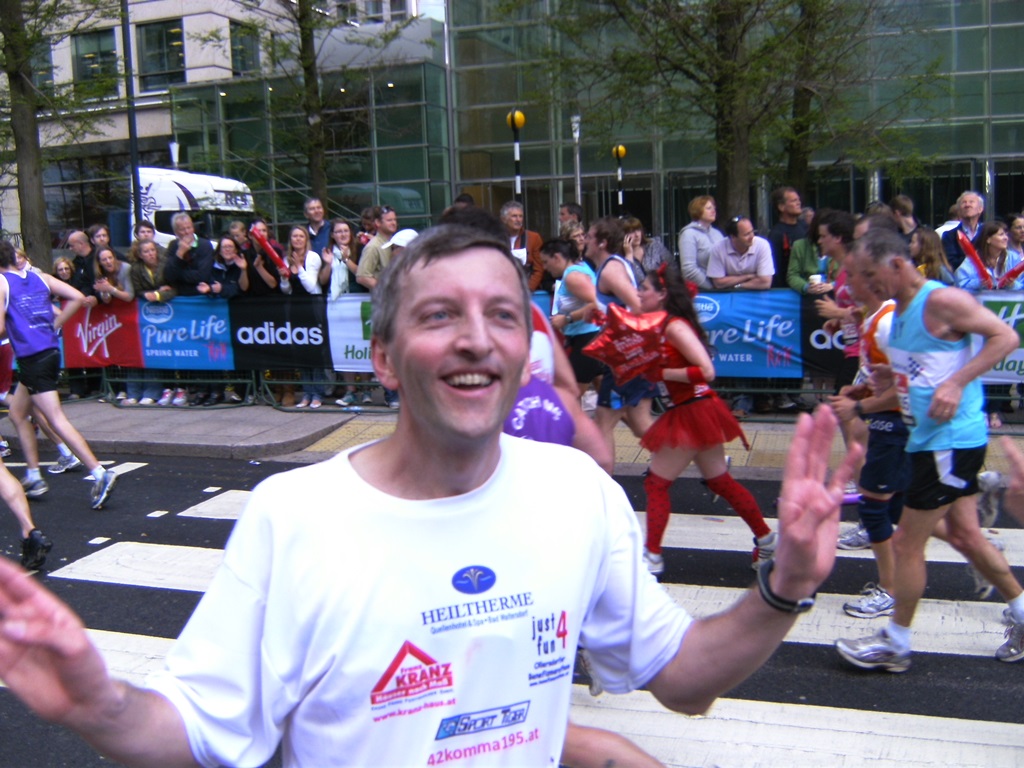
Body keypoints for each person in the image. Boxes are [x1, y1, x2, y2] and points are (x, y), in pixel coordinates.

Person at [0, 223, 860, 767]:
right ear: (382, 359)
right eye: (440, 315)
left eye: (503, 315)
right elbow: (197, 731)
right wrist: (99, 706)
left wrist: (783, 587)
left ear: (526, 350)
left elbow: (684, 681)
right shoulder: (295, 517)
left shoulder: (577, 492)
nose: (477, 340)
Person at [835, 229, 1024, 671]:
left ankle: (895, 644)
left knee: (906, 542)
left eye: (870, 275)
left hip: (949, 440)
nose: (866, 284)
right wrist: (882, 385)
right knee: (965, 536)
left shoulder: (940, 301)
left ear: (898, 264)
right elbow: (919, 372)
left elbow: (1005, 338)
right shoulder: (899, 311)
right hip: (928, 438)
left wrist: (956, 383)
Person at [638, 264, 777, 575]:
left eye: (644, 288)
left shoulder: (675, 327)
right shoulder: (663, 325)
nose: (638, 293)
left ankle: (652, 557)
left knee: (656, 484)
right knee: (719, 481)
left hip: (692, 410)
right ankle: (767, 539)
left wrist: (662, 373)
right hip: (696, 409)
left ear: (661, 294)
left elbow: (707, 371)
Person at [0, 241, 118, 510]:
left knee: (55, 418)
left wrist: (20, 327)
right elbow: (77, 297)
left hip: (33, 357)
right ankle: (33, 475)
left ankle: (100, 472)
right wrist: (54, 324)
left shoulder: (2, 283)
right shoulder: (40, 277)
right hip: (50, 352)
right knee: (17, 414)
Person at [826, 250, 908, 617]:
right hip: (894, 425)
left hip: (896, 427)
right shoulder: (876, 318)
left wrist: (859, 407)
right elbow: (887, 380)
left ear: (870, 281)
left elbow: (907, 388)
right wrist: (859, 392)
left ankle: (890, 591)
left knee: (875, 509)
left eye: (850, 276)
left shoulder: (887, 324)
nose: (843, 285)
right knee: (902, 511)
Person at [953, 219, 1021, 429]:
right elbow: (959, 284)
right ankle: (980, 409)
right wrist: (978, 283)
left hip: (1006, 317)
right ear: (989, 239)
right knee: (981, 362)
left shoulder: (1013, 258)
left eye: (1005, 234)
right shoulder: (972, 261)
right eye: (1000, 234)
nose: (1005, 238)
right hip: (979, 321)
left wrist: (1013, 284)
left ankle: (995, 409)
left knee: (1001, 360)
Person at [540, 238, 603, 389]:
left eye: (546, 262)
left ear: (557, 257)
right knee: (604, 398)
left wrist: (567, 319)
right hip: (590, 335)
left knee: (570, 395)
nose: (544, 267)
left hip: (587, 337)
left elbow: (598, 304)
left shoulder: (572, 277)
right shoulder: (581, 267)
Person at [280, 225, 327, 409]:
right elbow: (286, 290)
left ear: (306, 239)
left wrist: (299, 267)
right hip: (295, 308)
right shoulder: (286, 259)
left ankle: (318, 393)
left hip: (312, 307)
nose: (298, 239)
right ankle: (307, 393)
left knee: (315, 351)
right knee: (301, 351)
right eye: (294, 236)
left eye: (301, 236)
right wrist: (284, 278)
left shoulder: (312, 257)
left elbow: (310, 285)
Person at [677, 195, 723, 291]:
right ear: (698, 211)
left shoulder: (718, 234)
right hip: (702, 292)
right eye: (709, 208)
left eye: (714, 208)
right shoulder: (689, 234)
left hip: (723, 289)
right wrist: (712, 288)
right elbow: (689, 270)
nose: (713, 211)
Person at [501, 200, 546, 292]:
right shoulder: (495, 237)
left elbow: (539, 268)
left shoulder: (533, 238)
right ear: (504, 219)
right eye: (514, 216)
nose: (518, 220)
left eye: (520, 216)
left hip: (527, 290)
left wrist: (528, 289)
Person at [768, 186, 807, 289]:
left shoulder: (805, 227)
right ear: (781, 207)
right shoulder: (776, 235)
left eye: (798, 200)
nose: (799, 203)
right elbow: (776, 268)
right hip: (787, 290)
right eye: (794, 201)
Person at [940, 191, 985, 272]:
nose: (967, 205)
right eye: (964, 202)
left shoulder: (987, 233)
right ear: (958, 211)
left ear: (980, 209)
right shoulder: (949, 236)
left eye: (971, 202)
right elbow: (951, 263)